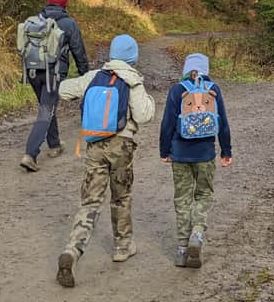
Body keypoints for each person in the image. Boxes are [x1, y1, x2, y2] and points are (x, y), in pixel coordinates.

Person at [55, 35, 155, 288]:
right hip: (122, 145)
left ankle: (73, 250)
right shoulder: (133, 80)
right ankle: (122, 246)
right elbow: (144, 116)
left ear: (111, 54)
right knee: (121, 196)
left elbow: (64, 90)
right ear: (133, 57)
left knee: (90, 200)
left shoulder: (95, 76)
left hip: (95, 145)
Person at [160, 53, 232, 268]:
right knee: (203, 194)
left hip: (180, 155)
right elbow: (224, 123)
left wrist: (165, 151)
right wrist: (226, 151)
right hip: (205, 155)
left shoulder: (176, 90)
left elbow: (166, 124)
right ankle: (197, 234)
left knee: (182, 198)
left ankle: (182, 249)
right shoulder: (214, 89)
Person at [20, 0, 89, 172]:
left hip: (33, 71)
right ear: (65, 3)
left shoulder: (36, 20)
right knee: (45, 110)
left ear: (48, 1)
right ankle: (30, 154)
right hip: (53, 74)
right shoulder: (69, 24)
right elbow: (79, 52)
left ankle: (55, 144)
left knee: (47, 106)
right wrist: (85, 76)